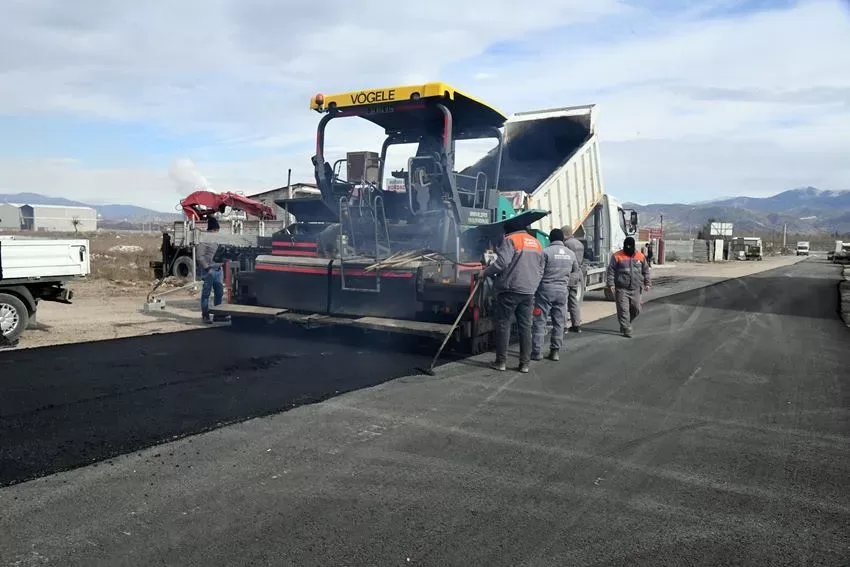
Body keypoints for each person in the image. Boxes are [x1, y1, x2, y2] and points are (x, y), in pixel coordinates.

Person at [479, 228, 545, 373]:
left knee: (503, 325)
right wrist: (533, 284)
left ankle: (501, 362)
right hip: (528, 291)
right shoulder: (536, 243)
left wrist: (485, 272)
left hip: (510, 290)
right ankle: (524, 364)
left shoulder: (512, 240)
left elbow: (502, 263)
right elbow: (541, 268)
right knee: (525, 327)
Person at [531, 229, 580, 362]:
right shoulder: (571, 254)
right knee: (559, 322)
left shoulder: (545, 252)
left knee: (539, 322)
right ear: (562, 240)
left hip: (545, 291)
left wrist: (533, 289)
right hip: (562, 291)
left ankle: (536, 352)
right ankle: (555, 352)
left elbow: (538, 273)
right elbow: (576, 272)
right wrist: (566, 282)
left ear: (551, 239)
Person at [606, 236, 651, 338]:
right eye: (626, 246)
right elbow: (611, 271)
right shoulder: (617, 256)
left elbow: (646, 271)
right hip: (622, 288)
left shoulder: (640, 256)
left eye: (630, 246)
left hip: (636, 288)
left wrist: (647, 283)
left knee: (636, 309)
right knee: (623, 309)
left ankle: (626, 322)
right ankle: (626, 328)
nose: (628, 248)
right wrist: (611, 284)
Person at [195, 216, 225, 324]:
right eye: (216, 230)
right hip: (209, 270)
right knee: (206, 293)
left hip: (218, 270)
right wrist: (207, 268)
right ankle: (205, 315)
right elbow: (199, 256)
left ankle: (218, 315)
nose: (217, 232)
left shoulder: (217, 240)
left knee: (219, 293)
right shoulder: (204, 241)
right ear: (212, 230)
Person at [561, 225, 585, 333]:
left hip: (568, 273)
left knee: (564, 301)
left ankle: (564, 326)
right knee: (573, 300)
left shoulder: (566, 244)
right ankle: (577, 324)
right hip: (577, 273)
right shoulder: (579, 243)